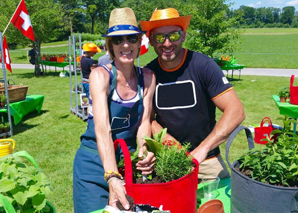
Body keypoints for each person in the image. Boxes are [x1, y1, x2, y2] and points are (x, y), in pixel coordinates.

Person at [140, 8, 245, 179]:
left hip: (207, 162)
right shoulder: (149, 74)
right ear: (151, 41)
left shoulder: (203, 66)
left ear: (183, 36)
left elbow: (236, 111)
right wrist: (172, 146)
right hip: (167, 161)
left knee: (221, 204)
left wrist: (202, 150)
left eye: (173, 36)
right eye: (159, 37)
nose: (166, 43)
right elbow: (147, 119)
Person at [73, 7, 156, 212]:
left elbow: (144, 122)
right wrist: (111, 175)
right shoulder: (100, 76)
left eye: (131, 38)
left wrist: (143, 154)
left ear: (139, 43)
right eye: (118, 40)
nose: (125, 44)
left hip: (127, 161)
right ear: (111, 45)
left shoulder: (148, 78)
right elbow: (102, 128)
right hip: (93, 163)